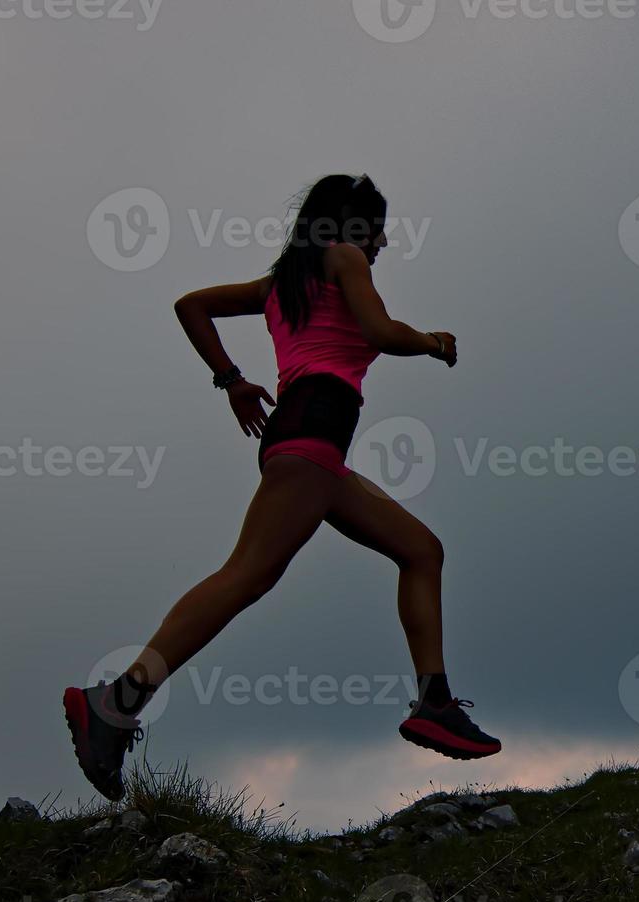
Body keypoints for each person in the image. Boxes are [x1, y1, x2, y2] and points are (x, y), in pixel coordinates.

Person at [63, 174, 501, 802]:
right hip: (311, 442)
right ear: (351, 226)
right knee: (246, 575)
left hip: (317, 453)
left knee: (421, 550)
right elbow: (379, 332)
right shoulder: (344, 259)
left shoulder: (283, 284)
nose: (381, 244)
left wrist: (232, 381)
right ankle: (116, 700)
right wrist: (434, 342)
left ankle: (434, 701)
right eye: (377, 229)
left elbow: (191, 304)